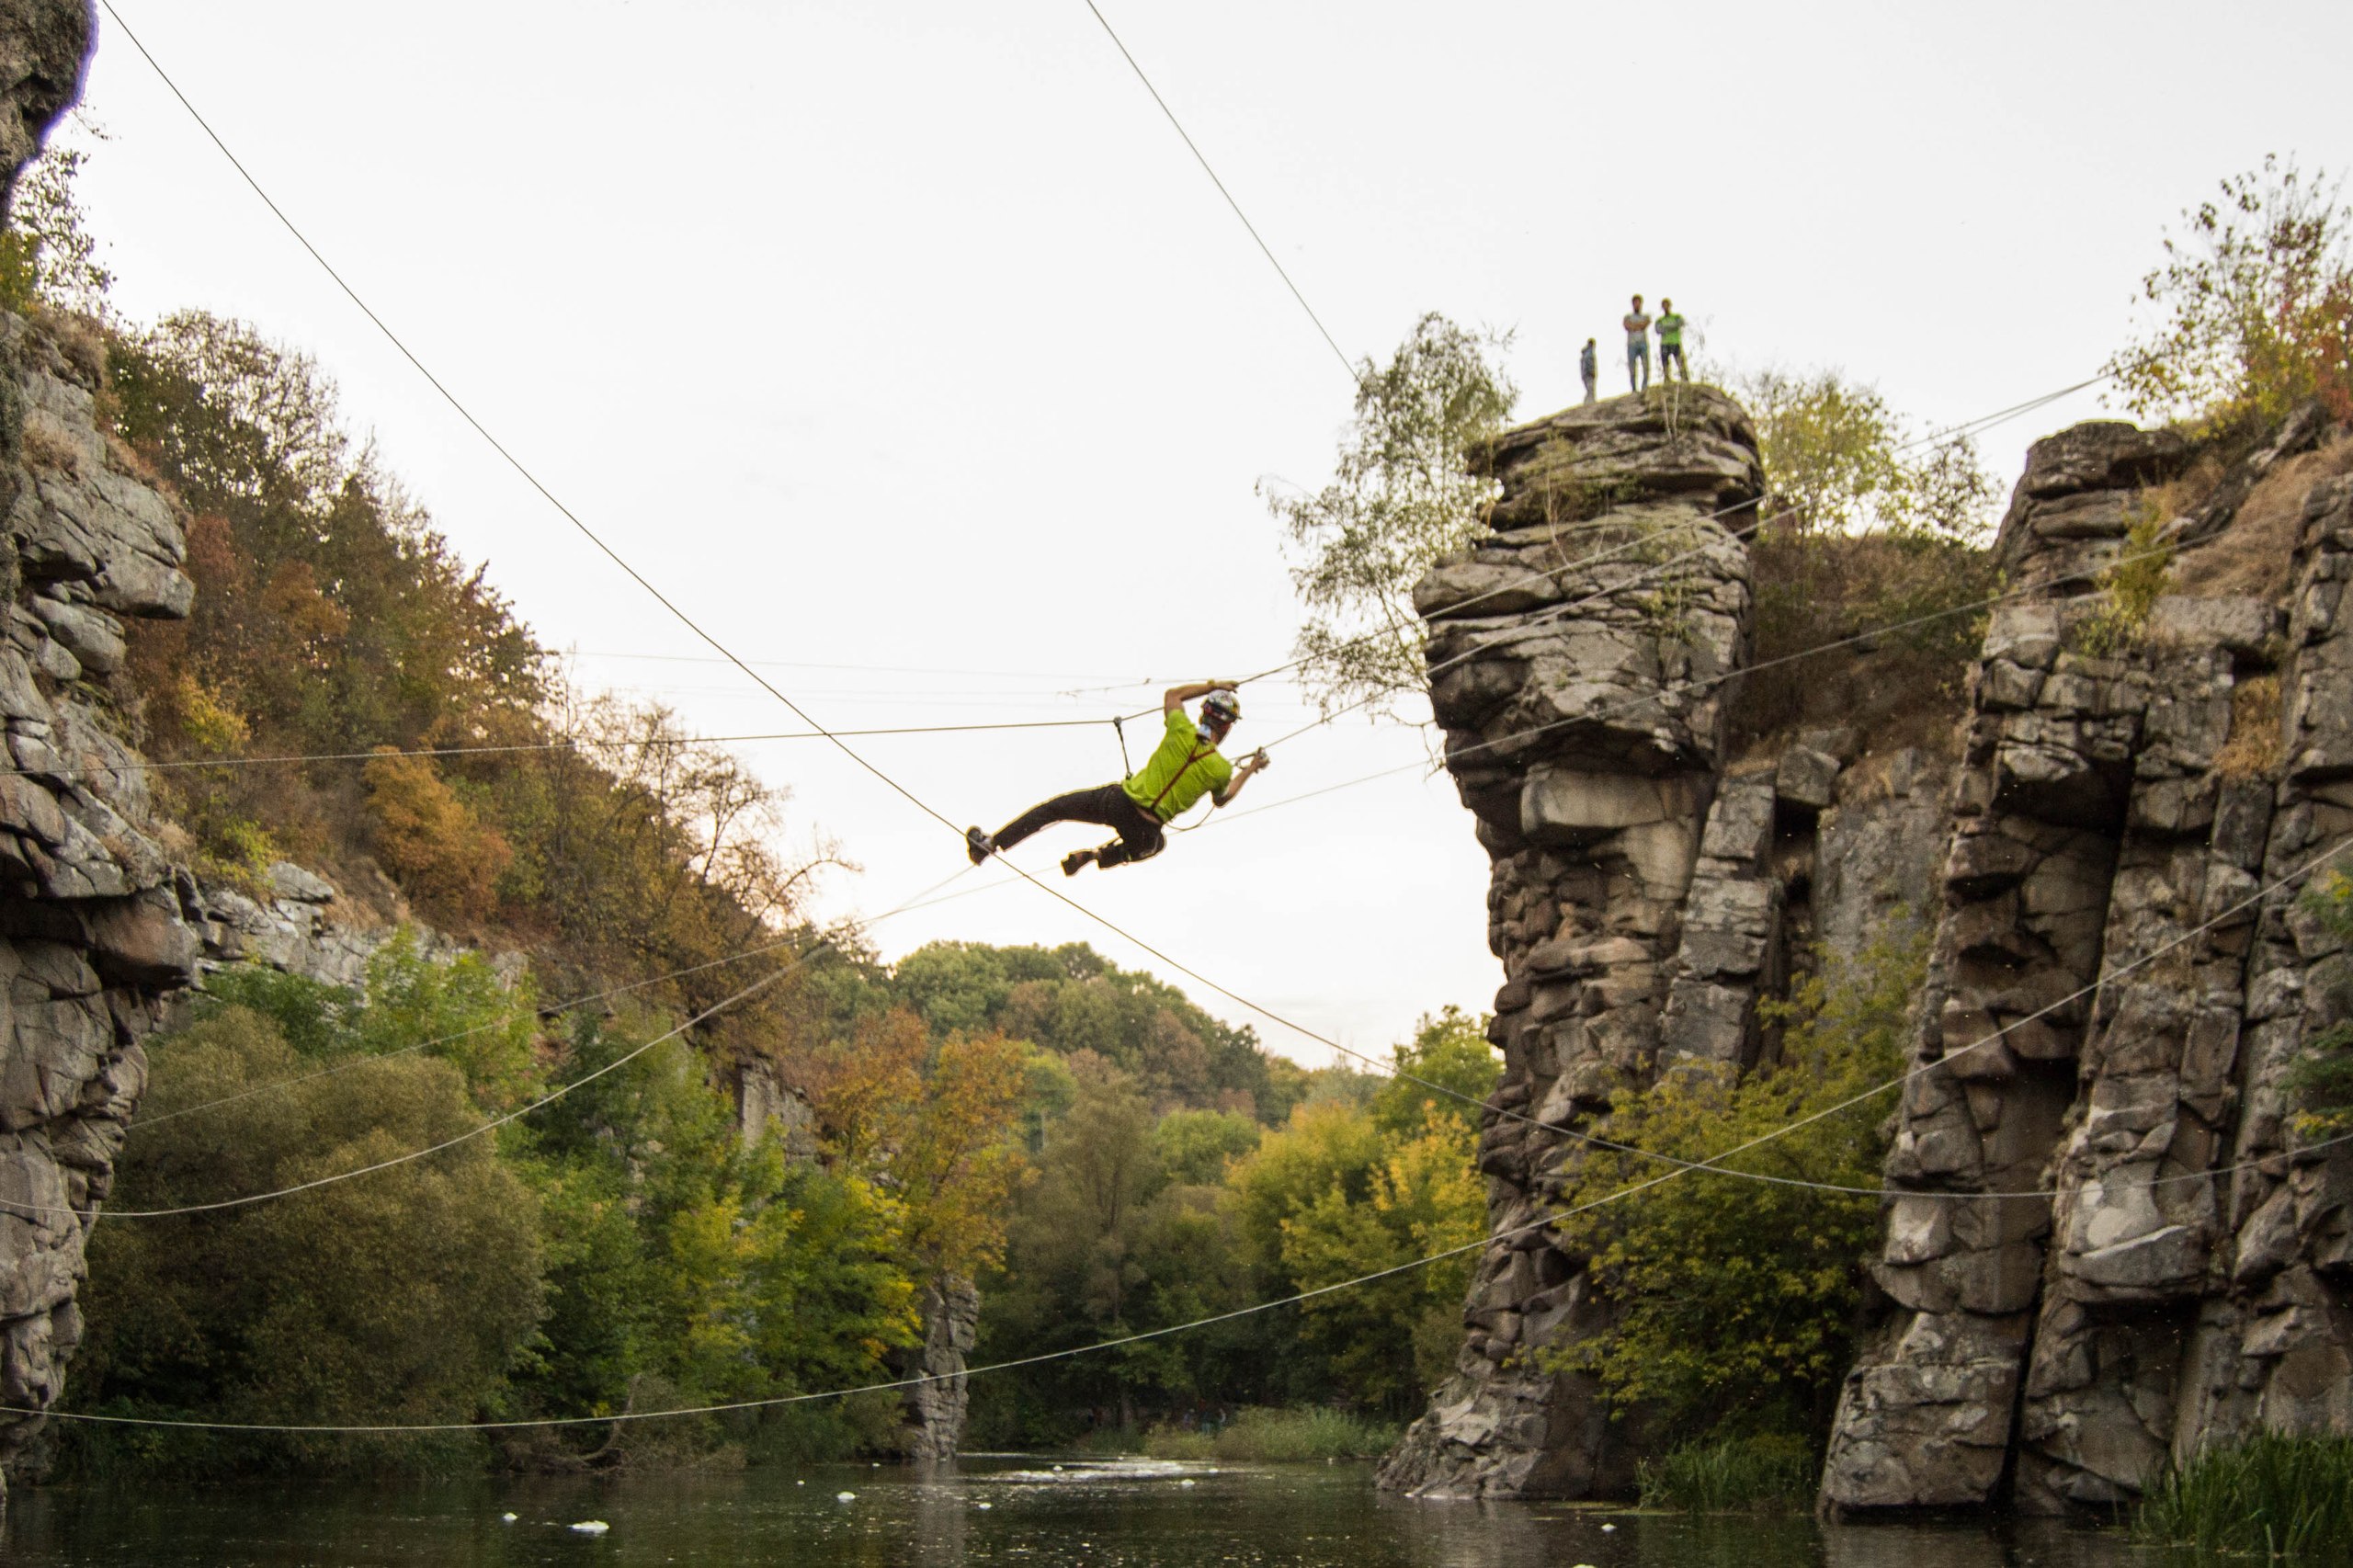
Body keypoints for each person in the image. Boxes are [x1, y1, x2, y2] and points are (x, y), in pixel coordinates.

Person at [967, 680, 1269, 876]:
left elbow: (1173, 695)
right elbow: (1223, 797)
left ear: (1203, 714)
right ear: (1228, 728)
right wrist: (1251, 767)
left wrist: (1214, 685)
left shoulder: (1180, 728)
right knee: (1156, 845)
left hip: (1119, 803)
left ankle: (990, 844)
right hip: (1145, 831)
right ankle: (1097, 855)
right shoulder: (1220, 770)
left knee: (1054, 809)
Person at [1622, 294, 1652, 393]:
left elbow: (1646, 323)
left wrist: (1634, 326)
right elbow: (1627, 325)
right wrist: (1639, 326)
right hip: (1632, 344)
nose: (1637, 305)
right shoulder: (1628, 317)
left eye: (1638, 303)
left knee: (1646, 366)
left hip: (1643, 343)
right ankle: (1634, 389)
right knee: (1632, 368)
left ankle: (1644, 386)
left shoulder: (1645, 316)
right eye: (1635, 303)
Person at [1656, 297, 1687, 381]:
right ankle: (1667, 380)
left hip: (1675, 342)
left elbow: (1681, 323)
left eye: (1667, 305)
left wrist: (1666, 327)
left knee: (1680, 362)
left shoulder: (1676, 316)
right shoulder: (1660, 320)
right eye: (1664, 305)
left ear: (1670, 306)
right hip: (1665, 343)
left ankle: (1685, 380)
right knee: (1665, 364)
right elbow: (1658, 330)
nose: (1665, 307)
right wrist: (1672, 326)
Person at [1579, 336, 1598, 403]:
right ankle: (1589, 402)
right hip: (1589, 373)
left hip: (1585, 374)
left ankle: (1589, 401)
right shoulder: (1589, 353)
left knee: (1589, 389)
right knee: (1591, 389)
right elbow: (1589, 362)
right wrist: (1592, 372)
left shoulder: (1584, 354)